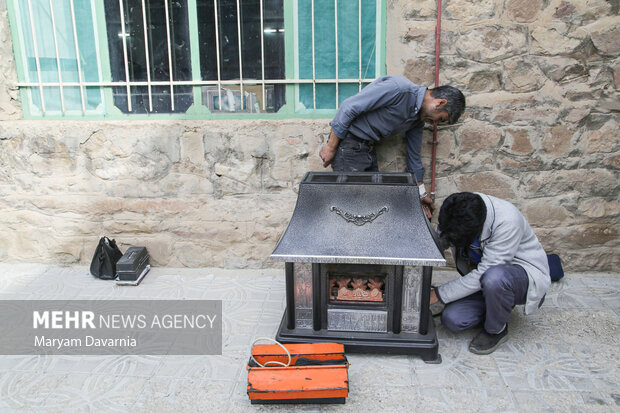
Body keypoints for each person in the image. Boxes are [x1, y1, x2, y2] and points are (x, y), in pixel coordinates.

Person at [319, 75, 465, 217]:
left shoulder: (417, 119)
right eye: (440, 119)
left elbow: (414, 155)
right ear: (440, 103)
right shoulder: (398, 88)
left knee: (372, 206)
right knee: (350, 208)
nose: (435, 123)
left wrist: (420, 192)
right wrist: (331, 147)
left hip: (368, 149)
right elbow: (349, 107)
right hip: (349, 147)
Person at [431, 192, 551, 355]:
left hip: (520, 278)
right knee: (452, 319)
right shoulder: (458, 209)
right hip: (485, 281)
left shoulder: (508, 221)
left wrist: (437, 294)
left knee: (495, 279)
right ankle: (499, 305)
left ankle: (496, 330)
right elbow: (438, 241)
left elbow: (486, 272)